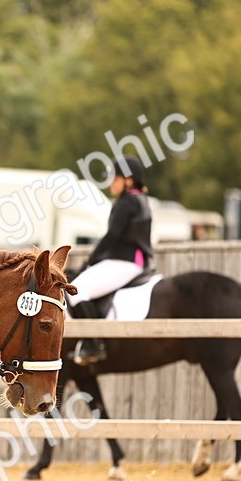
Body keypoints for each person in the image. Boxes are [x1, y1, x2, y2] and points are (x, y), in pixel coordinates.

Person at [69, 155, 153, 365]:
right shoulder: (140, 200)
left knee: (74, 291)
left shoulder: (127, 202)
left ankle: (93, 343)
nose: (110, 183)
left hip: (123, 261)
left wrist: (91, 259)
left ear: (129, 180)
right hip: (131, 261)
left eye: (115, 178)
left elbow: (112, 236)